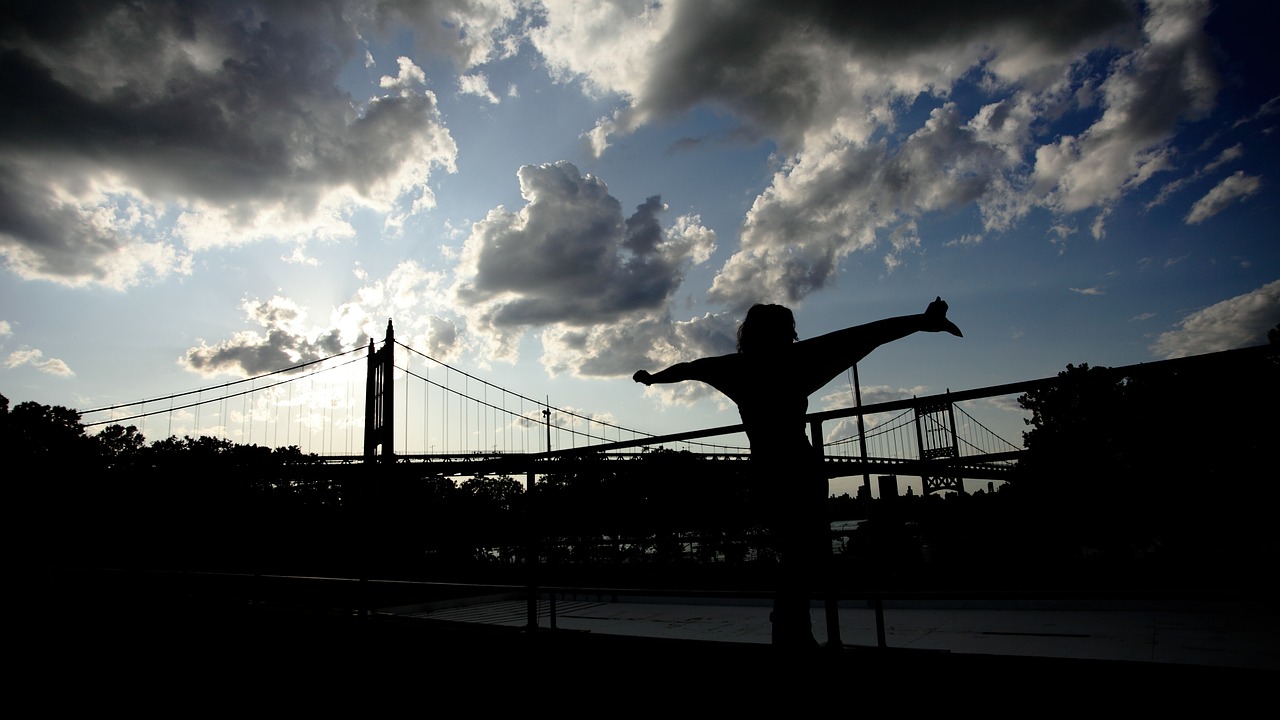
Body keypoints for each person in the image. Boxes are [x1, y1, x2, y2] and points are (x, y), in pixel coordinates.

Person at [633, 297, 962, 647]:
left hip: (768, 471)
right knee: (804, 553)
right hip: (802, 468)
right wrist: (922, 321)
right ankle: (794, 627)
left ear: (749, 334)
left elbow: (690, 367)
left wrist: (654, 380)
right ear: (786, 332)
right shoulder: (797, 361)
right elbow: (866, 334)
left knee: (792, 551)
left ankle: (791, 627)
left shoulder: (736, 369)